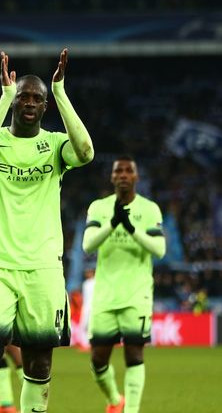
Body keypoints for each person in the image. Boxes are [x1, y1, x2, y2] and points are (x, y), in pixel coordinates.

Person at [0, 49, 94, 413]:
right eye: (24, 96)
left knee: (38, 362)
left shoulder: (54, 145)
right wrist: (4, 97)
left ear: (45, 107)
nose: (30, 103)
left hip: (42, 268)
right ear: (13, 100)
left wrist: (61, 91)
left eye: (38, 99)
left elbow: (85, 152)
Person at [82, 155, 166, 413]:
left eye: (129, 171)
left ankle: (131, 410)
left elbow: (159, 249)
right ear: (112, 177)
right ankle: (114, 400)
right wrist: (113, 223)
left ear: (136, 177)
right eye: (119, 171)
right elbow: (88, 245)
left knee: (134, 356)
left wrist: (130, 227)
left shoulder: (150, 209)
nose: (123, 175)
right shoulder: (98, 207)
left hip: (136, 295)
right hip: (105, 295)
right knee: (97, 360)